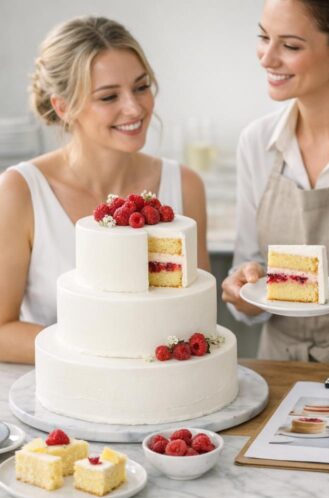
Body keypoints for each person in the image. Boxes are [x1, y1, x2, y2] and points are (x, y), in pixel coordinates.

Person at [0, 16, 210, 364]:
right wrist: (110, 354)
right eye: (109, 96)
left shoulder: (185, 185)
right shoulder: (19, 191)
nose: (134, 107)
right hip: (58, 397)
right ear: (63, 107)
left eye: (141, 87)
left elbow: (196, 315)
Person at [221, 0, 329, 364]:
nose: (266, 58)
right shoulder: (256, 142)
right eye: (264, 37)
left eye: (290, 46)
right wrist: (241, 288)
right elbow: (247, 267)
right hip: (279, 366)